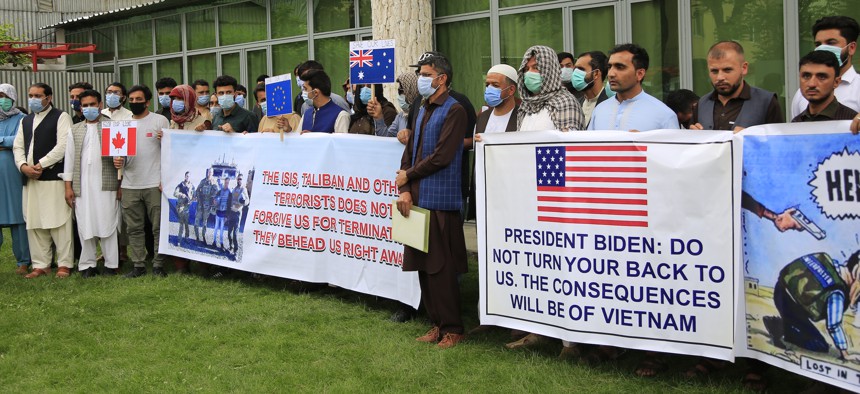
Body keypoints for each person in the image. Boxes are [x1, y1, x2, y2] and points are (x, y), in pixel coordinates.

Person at [395, 52, 468, 349]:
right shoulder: (422, 107)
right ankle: (436, 323)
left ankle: (453, 327)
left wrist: (408, 174)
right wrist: (406, 186)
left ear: (442, 78)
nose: (422, 78)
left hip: (441, 198)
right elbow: (411, 149)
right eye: (421, 74)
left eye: (426, 74)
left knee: (441, 267)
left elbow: (442, 156)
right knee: (423, 265)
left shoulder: (455, 110)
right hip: (418, 197)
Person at [12, 83, 74, 278]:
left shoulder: (61, 117)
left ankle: (64, 263)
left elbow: (63, 145)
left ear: (49, 97)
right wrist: (23, 166)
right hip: (30, 179)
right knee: (35, 222)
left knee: (59, 222)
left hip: (52, 178)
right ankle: (41, 264)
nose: (33, 99)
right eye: (30, 95)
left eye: (38, 95)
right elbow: (18, 147)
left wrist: (41, 165)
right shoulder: (25, 121)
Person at [62, 89, 121, 278]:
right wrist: (68, 186)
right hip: (82, 186)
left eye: (92, 105)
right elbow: (69, 160)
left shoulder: (113, 126)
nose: (89, 108)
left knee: (108, 222)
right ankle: (87, 264)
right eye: (85, 105)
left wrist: (121, 176)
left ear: (100, 105)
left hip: (107, 183)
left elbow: (123, 156)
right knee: (85, 223)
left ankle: (111, 264)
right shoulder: (75, 129)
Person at [113, 84, 170, 278]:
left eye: (139, 99)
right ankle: (138, 264)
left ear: (148, 101)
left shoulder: (160, 120)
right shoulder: (122, 124)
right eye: (132, 99)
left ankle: (158, 264)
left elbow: (170, 151)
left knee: (158, 227)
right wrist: (117, 160)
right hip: (129, 184)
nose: (135, 103)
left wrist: (166, 140)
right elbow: (118, 152)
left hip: (154, 183)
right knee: (134, 228)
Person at [763, 250, 860, 362]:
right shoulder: (837, 292)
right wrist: (845, 353)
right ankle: (779, 327)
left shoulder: (829, 261)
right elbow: (834, 325)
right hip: (791, 305)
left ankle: (785, 324)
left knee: (805, 327)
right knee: (818, 345)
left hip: (780, 289)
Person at [690, 41, 783, 132]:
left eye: (727, 70)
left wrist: (752, 140)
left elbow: (778, 144)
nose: (720, 77)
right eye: (714, 71)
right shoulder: (702, 104)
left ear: (744, 68)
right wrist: (694, 137)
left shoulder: (766, 102)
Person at [589, 44, 679, 131]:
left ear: (640, 74)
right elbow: (589, 146)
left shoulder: (664, 115)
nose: (611, 74)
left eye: (620, 67)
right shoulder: (599, 110)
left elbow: (674, 146)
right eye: (609, 67)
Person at [790, 16, 860, 118]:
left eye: (831, 43)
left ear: (851, 48)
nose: (822, 48)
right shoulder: (802, 94)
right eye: (818, 44)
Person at [0, 83, 30, 274]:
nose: (2, 100)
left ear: (13, 97)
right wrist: (6, 141)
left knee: (18, 217)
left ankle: (23, 261)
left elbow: (20, 140)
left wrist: (3, 141)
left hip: (12, 175)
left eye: (5, 96)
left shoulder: (23, 119)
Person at [517, 45, 585, 132]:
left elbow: (568, 143)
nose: (529, 73)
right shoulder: (525, 106)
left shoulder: (565, 103)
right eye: (526, 69)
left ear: (550, 70)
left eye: (536, 67)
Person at [793, 50, 859, 122]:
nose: (812, 84)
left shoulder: (852, 122)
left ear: (836, 82)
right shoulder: (796, 122)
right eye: (806, 76)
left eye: (822, 77)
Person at [368, 72, 417, 144]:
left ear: (412, 90)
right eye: (398, 91)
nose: (399, 95)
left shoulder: (423, 114)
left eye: (402, 91)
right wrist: (379, 117)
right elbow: (387, 138)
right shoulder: (401, 116)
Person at [298, 69, 350, 134]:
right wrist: (288, 130)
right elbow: (297, 140)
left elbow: (341, 143)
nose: (303, 92)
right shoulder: (307, 114)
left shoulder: (341, 115)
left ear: (316, 92)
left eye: (305, 89)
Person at [476, 64, 520, 136]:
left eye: (495, 85)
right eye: (487, 85)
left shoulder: (522, 118)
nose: (489, 89)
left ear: (511, 90)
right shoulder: (482, 117)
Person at [573, 51, 611, 126]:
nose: (575, 73)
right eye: (575, 69)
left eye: (581, 69)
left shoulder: (610, 104)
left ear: (596, 73)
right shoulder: (575, 103)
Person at [194, 168, 218, 244]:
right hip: (200, 204)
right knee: (197, 220)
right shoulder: (203, 181)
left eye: (211, 172)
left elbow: (217, 192)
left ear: (212, 173)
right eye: (208, 172)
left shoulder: (214, 182)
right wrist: (199, 198)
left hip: (208, 205)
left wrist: (213, 199)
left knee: (205, 222)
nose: (209, 173)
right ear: (207, 172)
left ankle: (203, 236)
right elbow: (197, 190)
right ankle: (197, 236)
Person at [227, 173, 249, 254]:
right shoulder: (234, 189)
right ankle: (231, 247)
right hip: (231, 213)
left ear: (242, 180)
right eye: (238, 179)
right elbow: (232, 199)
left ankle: (236, 251)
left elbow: (247, 201)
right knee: (229, 233)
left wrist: (243, 202)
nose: (239, 180)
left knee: (235, 235)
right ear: (237, 179)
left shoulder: (244, 189)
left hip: (237, 214)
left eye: (241, 179)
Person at [173, 171, 194, 247]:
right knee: (181, 223)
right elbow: (175, 193)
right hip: (181, 207)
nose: (188, 177)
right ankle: (179, 239)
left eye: (189, 176)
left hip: (187, 207)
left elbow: (194, 195)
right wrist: (182, 195)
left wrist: (191, 200)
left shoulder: (192, 186)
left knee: (187, 223)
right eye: (186, 176)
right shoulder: (180, 185)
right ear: (185, 176)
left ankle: (187, 237)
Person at [213, 175, 232, 250]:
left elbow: (229, 204)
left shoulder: (230, 193)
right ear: (224, 182)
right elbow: (215, 200)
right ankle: (214, 242)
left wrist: (227, 216)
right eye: (225, 182)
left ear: (229, 183)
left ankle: (221, 243)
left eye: (228, 183)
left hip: (224, 215)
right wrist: (215, 201)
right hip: (218, 213)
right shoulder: (219, 191)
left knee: (221, 230)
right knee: (215, 228)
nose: (226, 184)